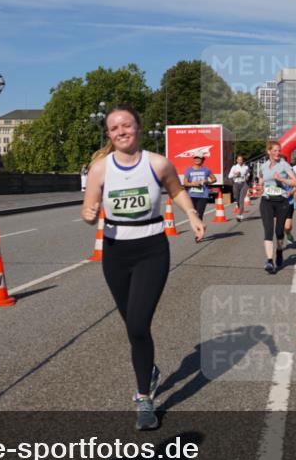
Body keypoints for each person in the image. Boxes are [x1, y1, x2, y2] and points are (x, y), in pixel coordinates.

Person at [81, 106, 205, 430]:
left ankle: (143, 398)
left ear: (138, 127)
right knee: (132, 326)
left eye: (126, 125)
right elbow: (88, 210)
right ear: (109, 134)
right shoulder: (100, 168)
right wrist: (90, 214)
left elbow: (177, 191)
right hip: (115, 252)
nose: (121, 131)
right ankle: (148, 370)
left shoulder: (157, 163)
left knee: (138, 324)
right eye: (114, 128)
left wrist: (192, 214)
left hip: (151, 250)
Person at [258, 140, 296, 274]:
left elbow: (295, 182)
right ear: (269, 151)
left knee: (279, 231)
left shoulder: (284, 164)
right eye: (274, 150)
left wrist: (282, 179)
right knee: (268, 230)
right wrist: (259, 187)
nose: (277, 153)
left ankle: (279, 251)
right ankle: (269, 260)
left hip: (282, 201)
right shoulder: (263, 166)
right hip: (267, 201)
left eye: (279, 150)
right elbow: (261, 180)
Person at [182, 149, 214, 218]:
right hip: (191, 195)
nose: (197, 159)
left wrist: (208, 182)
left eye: (199, 158)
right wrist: (193, 184)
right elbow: (185, 183)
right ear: (193, 159)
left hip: (203, 196)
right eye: (195, 158)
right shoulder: (189, 170)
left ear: (203, 159)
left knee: (199, 215)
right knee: (193, 216)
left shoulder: (206, 169)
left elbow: (214, 179)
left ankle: (199, 225)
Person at [227, 154, 250, 221]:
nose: (240, 161)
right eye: (239, 160)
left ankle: (239, 215)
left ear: (243, 160)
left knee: (241, 200)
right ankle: (241, 209)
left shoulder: (246, 167)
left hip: (244, 184)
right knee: (237, 199)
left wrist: (247, 176)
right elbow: (229, 176)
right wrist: (235, 174)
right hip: (236, 184)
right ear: (236, 160)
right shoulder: (234, 167)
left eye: (241, 160)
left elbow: (248, 174)